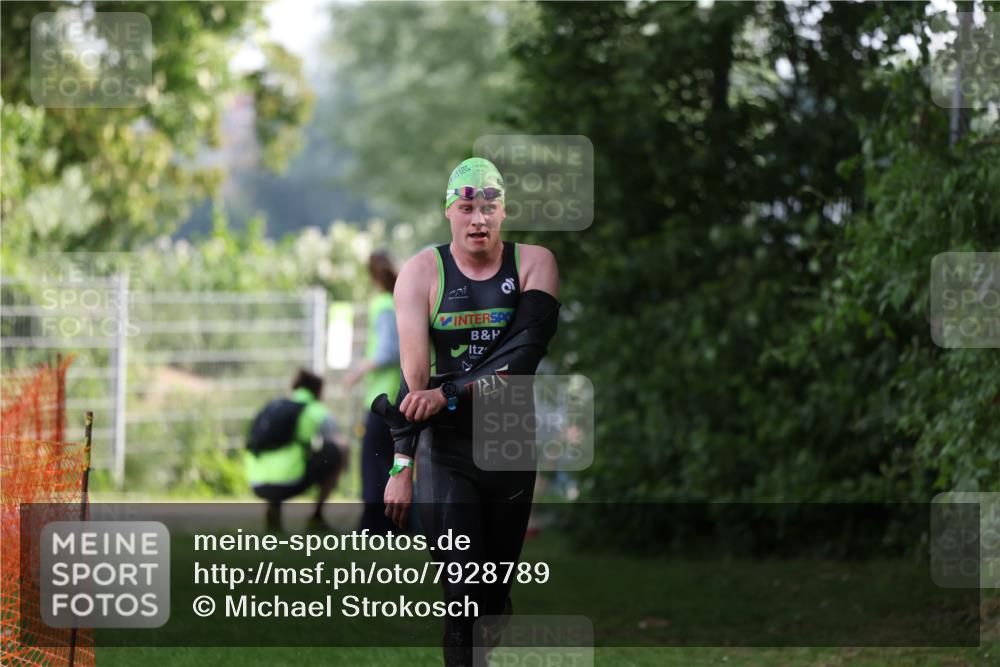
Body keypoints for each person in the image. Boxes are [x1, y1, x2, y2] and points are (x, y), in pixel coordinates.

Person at [379, 157, 560, 666]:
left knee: (490, 594)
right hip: (447, 448)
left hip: (509, 441)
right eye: (467, 207)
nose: (478, 218)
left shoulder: (534, 263)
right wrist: (402, 464)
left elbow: (523, 357)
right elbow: (415, 382)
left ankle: (497, 605)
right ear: (450, 213)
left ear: (503, 213)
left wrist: (448, 391)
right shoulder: (419, 273)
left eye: (490, 207)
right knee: (462, 597)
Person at [245, 368, 349, 533]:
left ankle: (274, 513)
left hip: (256, 482)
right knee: (338, 451)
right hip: (289, 481)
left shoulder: (273, 406)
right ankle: (317, 517)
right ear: (319, 391)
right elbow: (340, 442)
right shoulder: (316, 410)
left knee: (284, 456)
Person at [345, 251, 401, 534]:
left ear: (372, 275)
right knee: (390, 461)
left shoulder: (383, 304)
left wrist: (358, 370)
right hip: (393, 394)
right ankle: (392, 525)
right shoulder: (398, 301)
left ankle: (374, 525)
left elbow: (388, 350)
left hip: (382, 396)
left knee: (373, 462)